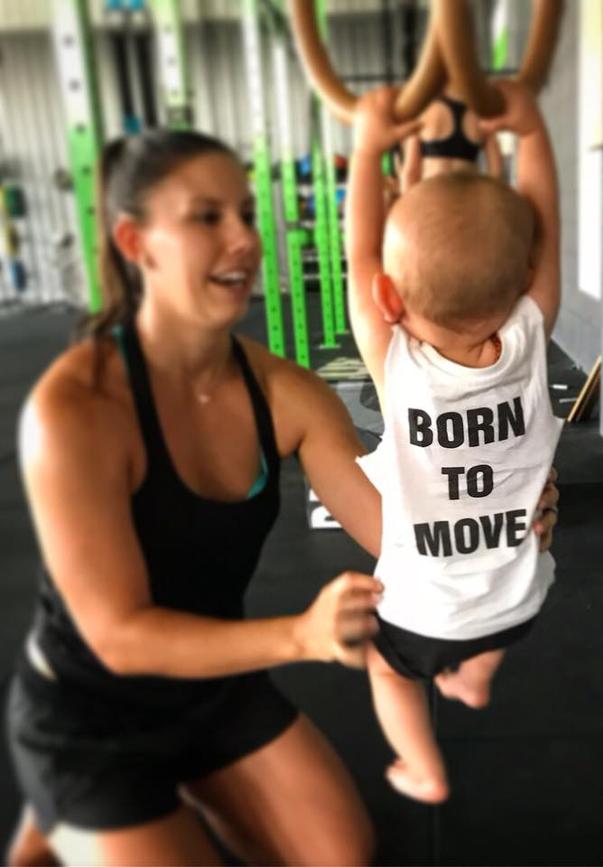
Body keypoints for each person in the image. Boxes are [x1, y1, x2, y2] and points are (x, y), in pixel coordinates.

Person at [4, 128, 559, 867]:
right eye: (207, 218)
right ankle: (65, 805)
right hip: (91, 713)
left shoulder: (286, 395)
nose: (243, 238)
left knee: (341, 856)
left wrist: (504, 507)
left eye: (244, 211)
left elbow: (396, 531)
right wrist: (301, 635)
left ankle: (95, 818)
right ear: (138, 242)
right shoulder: (75, 408)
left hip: (213, 688)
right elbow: (119, 636)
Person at [345, 80, 562, 804]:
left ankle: (424, 767)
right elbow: (549, 236)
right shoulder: (532, 340)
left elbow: (355, 259)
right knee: (489, 622)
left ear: (388, 297)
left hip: (422, 611)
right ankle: (477, 673)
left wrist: (369, 142)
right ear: (527, 279)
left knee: (388, 671)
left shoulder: (398, 365)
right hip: (519, 595)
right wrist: (532, 131)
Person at [397, 84, 503, 194]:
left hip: (432, 197)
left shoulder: (423, 113)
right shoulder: (480, 116)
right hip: (468, 197)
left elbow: (410, 173)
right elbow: (496, 169)